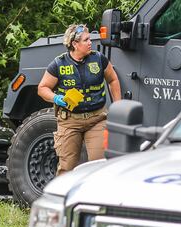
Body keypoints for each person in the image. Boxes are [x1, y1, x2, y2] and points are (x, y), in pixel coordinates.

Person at [38, 24, 121, 176]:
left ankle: (94, 199)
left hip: (97, 119)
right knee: (67, 168)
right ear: (74, 44)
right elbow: (42, 88)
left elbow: (113, 79)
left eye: (89, 39)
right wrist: (56, 98)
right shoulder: (59, 64)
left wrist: (118, 105)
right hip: (70, 121)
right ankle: (62, 198)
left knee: (99, 165)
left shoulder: (99, 59)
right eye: (86, 40)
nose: (90, 42)